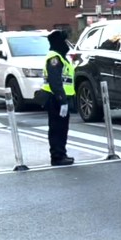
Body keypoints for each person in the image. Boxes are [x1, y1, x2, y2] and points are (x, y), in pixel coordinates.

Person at [41, 30, 75, 166]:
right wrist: (62, 100)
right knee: (57, 129)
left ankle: (61, 154)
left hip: (60, 97)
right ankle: (57, 157)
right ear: (59, 42)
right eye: (64, 41)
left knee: (62, 128)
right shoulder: (54, 58)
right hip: (56, 98)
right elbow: (55, 81)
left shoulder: (60, 57)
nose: (66, 44)